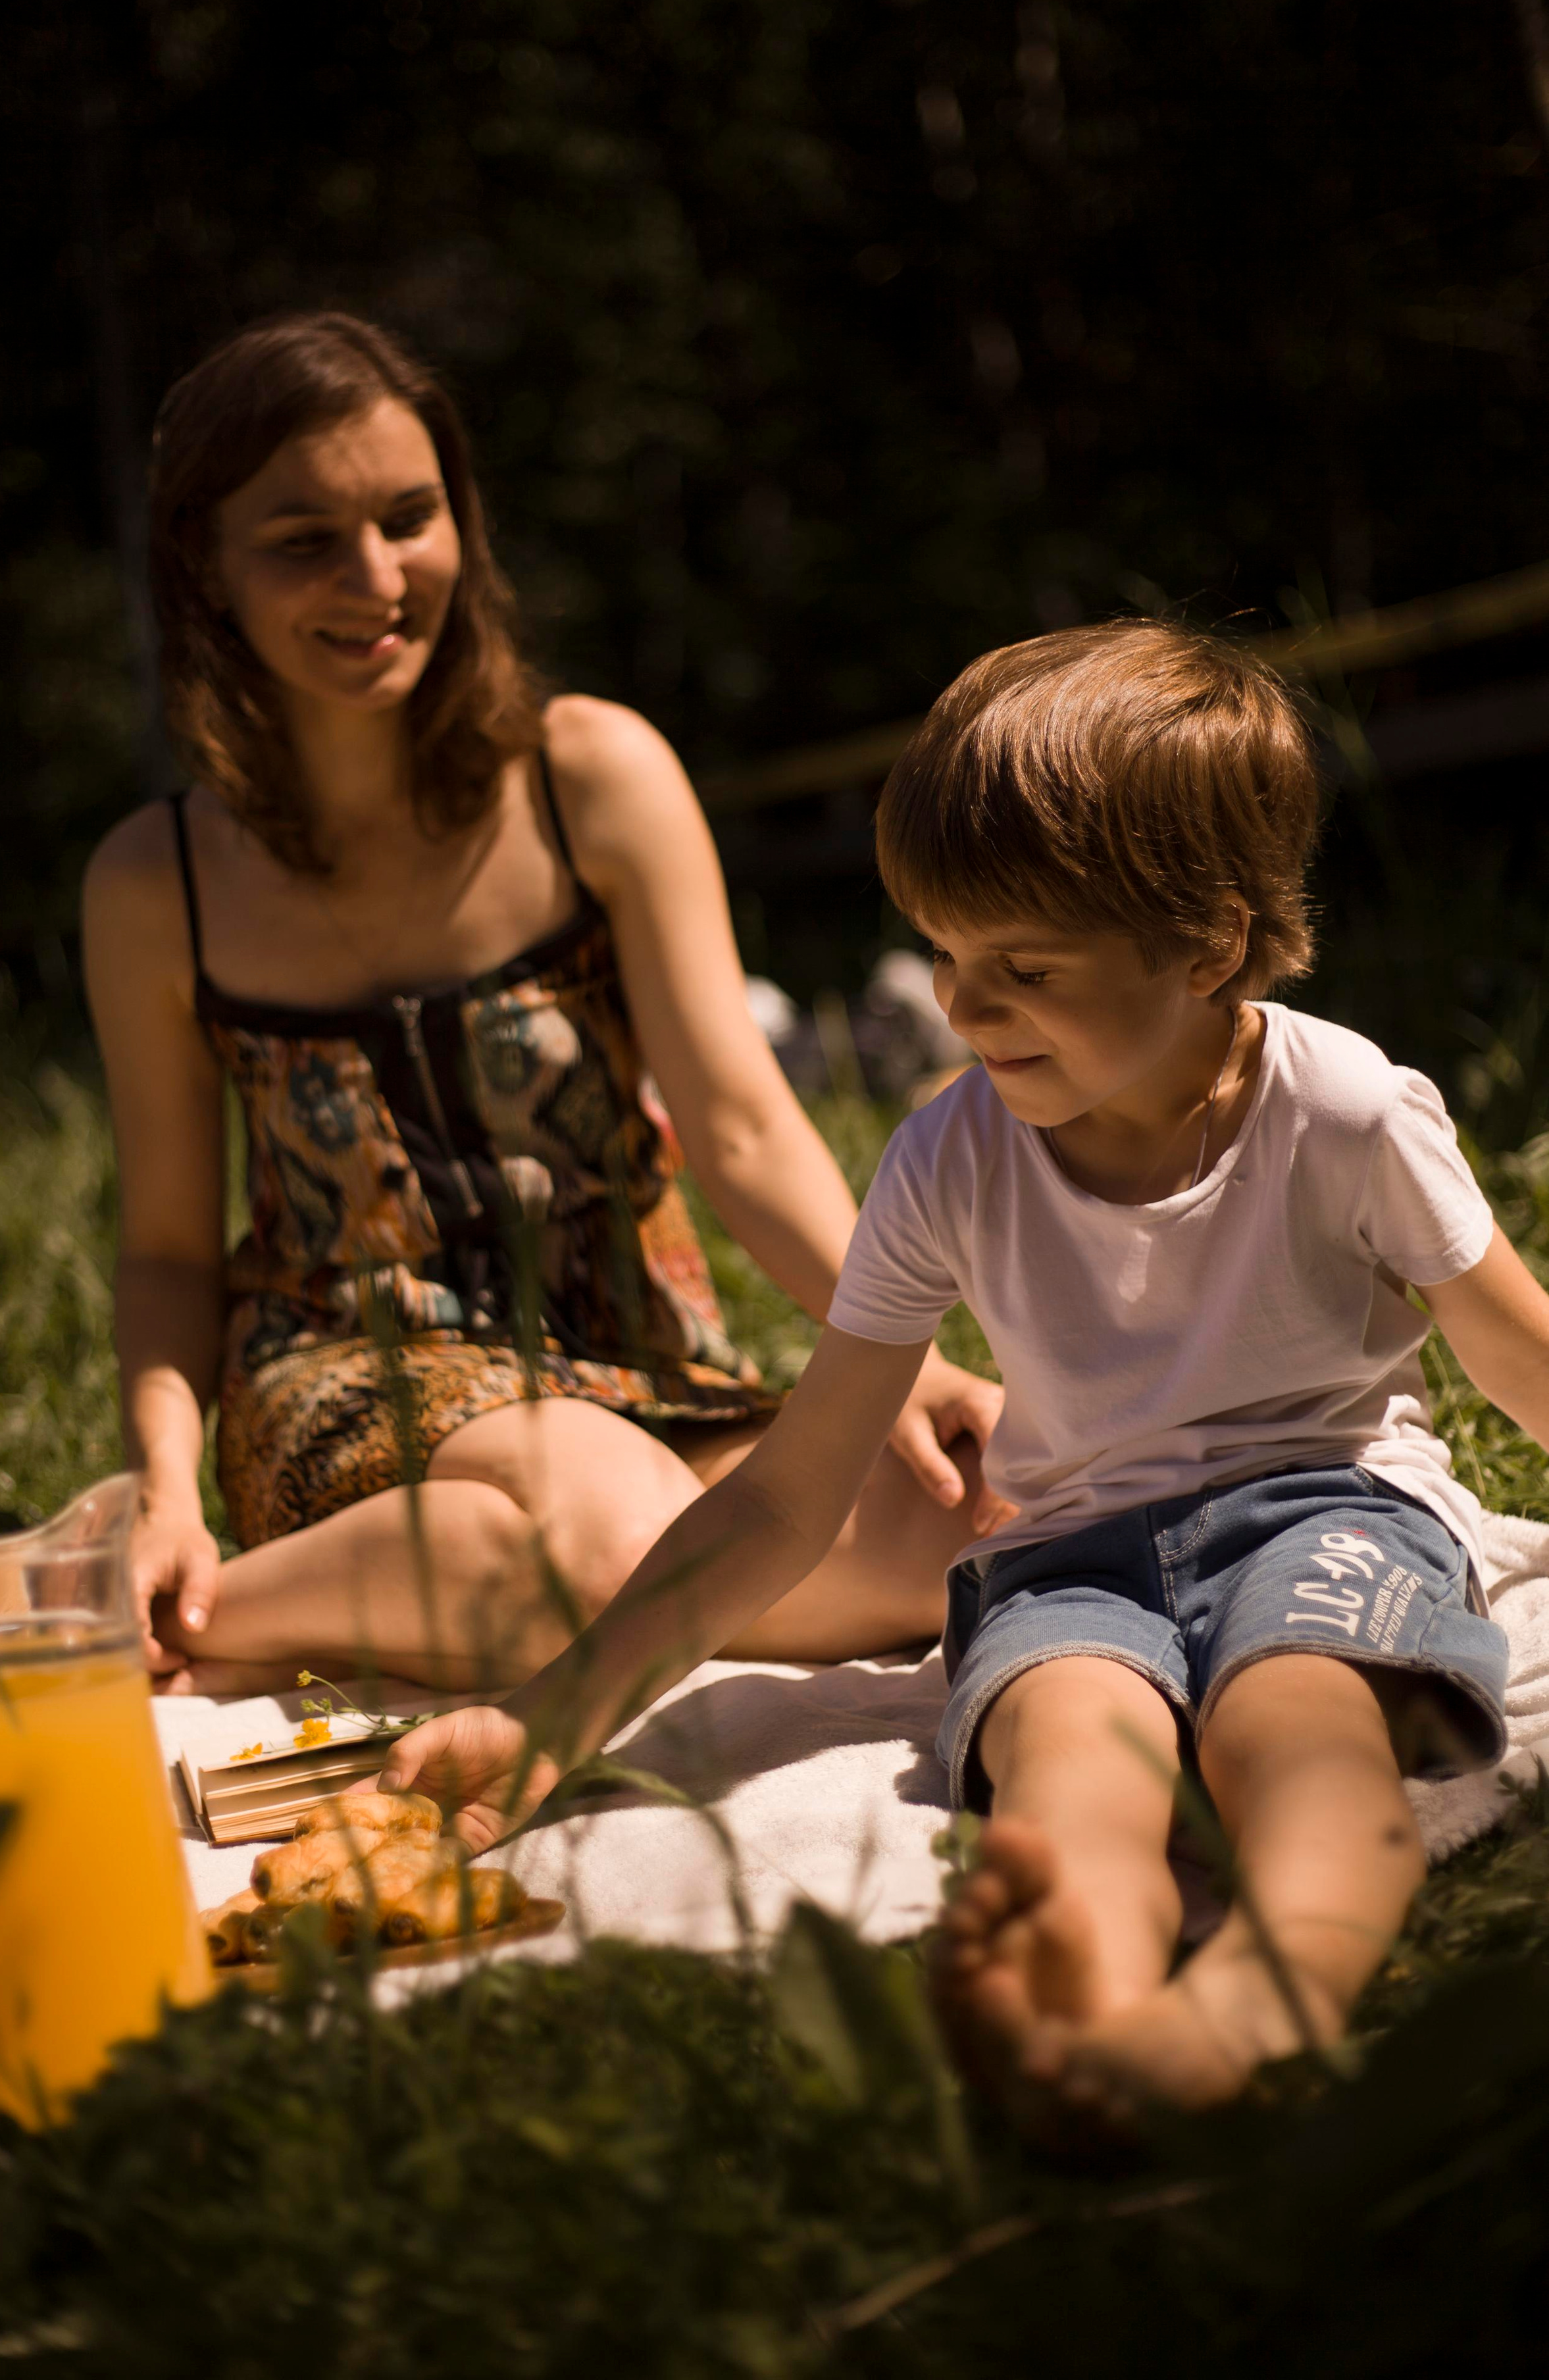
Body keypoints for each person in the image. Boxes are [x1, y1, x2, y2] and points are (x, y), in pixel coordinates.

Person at [376, 617, 1544, 2118]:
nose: (961, 1007)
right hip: (1064, 1557)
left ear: (1211, 944)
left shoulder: (1345, 1113)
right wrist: (556, 1711)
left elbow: (1513, 1349)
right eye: (942, 953)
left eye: (1022, 966)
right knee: (1069, 1757)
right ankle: (1076, 1998)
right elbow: (782, 1497)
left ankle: (1263, 2002)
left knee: (1293, 1724)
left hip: (1322, 1506)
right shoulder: (947, 1155)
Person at [82, 311, 1007, 1698]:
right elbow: (164, 1252)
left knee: (981, 1521)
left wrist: (891, 1353)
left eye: (409, 517)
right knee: (598, 1525)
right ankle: (203, 1602)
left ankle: (383, 1603)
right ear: (205, 571)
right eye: (302, 541)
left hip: (636, 1366)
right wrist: (163, 1482)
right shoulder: (158, 881)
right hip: (347, 1376)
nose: (375, 576)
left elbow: (743, 1126)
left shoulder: (593, 776)